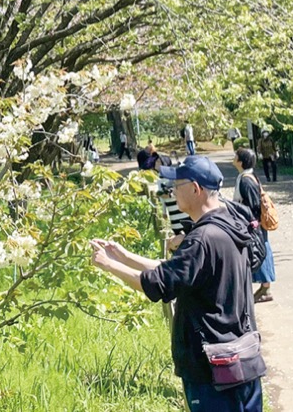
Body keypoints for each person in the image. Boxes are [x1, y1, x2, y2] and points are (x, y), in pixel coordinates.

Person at [90, 156, 264, 412]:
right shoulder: (229, 225)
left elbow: (158, 285)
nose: (171, 190)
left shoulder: (202, 238)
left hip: (212, 368)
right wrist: (124, 256)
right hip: (243, 358)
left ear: (195, 188)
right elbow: (177, 270)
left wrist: (108, 264)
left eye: (177, 184)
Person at [233, 148, 275, 302]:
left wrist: (252, 223)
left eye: (236, 156)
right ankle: (264, 287)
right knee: (260, 249)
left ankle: (266, 287)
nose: (234, 157)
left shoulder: (246, 180)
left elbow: (253, 204)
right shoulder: (248, 176)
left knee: (259, 251)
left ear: (240, 161)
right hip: (255, 223)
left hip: (254, 224)